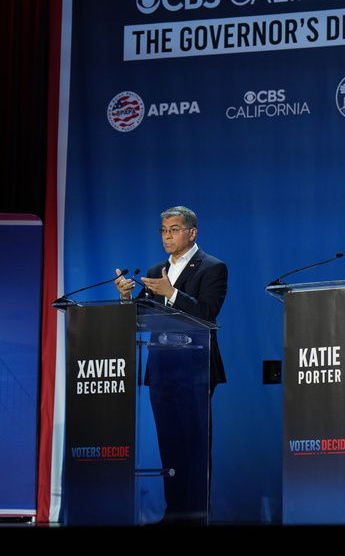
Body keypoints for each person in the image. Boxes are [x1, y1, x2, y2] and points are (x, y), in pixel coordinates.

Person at [114, 205, 227, 524]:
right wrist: (126, 299)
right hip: (161, 369)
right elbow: (140, 317)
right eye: (163, 230)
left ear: (192, 233)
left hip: (196, 368)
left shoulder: (213, 267)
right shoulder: (155, 269)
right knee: (170, 446)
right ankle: (173, 513)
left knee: (194, 445)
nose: (167, 235)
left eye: (174, 229)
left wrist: (173, 293)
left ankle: (196, 514)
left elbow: (207, 314)